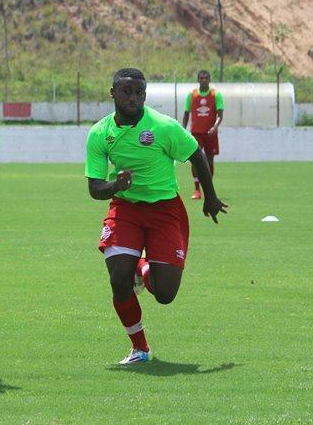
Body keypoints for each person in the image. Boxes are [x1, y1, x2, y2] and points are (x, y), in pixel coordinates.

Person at [86, 68, 227, 365]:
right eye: (126, 91)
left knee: (164, 294)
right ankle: (140, 348)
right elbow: (95, 188)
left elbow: (196, 153)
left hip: (165, 211)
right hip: (125, 208)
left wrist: (210, 197)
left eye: (139, 93)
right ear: (113, 93)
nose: (133, 98)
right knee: (119, 279)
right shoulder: (100, 133)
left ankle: (142, 266)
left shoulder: (164, 127)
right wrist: (116, 185)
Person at [181, 70, 223, 200]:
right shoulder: (192, 95)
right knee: (195, 160)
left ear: (209, 79)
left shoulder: (216, 94)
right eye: (201, 78)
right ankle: (197, 190)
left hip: (210, 133)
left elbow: (220, 115)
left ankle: (208, 188)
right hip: (196, 133)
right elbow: (186, 114)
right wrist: (183, 130)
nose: (204, 80)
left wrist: (214, 127)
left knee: (209, 160)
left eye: (206, 77)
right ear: (198, 79)